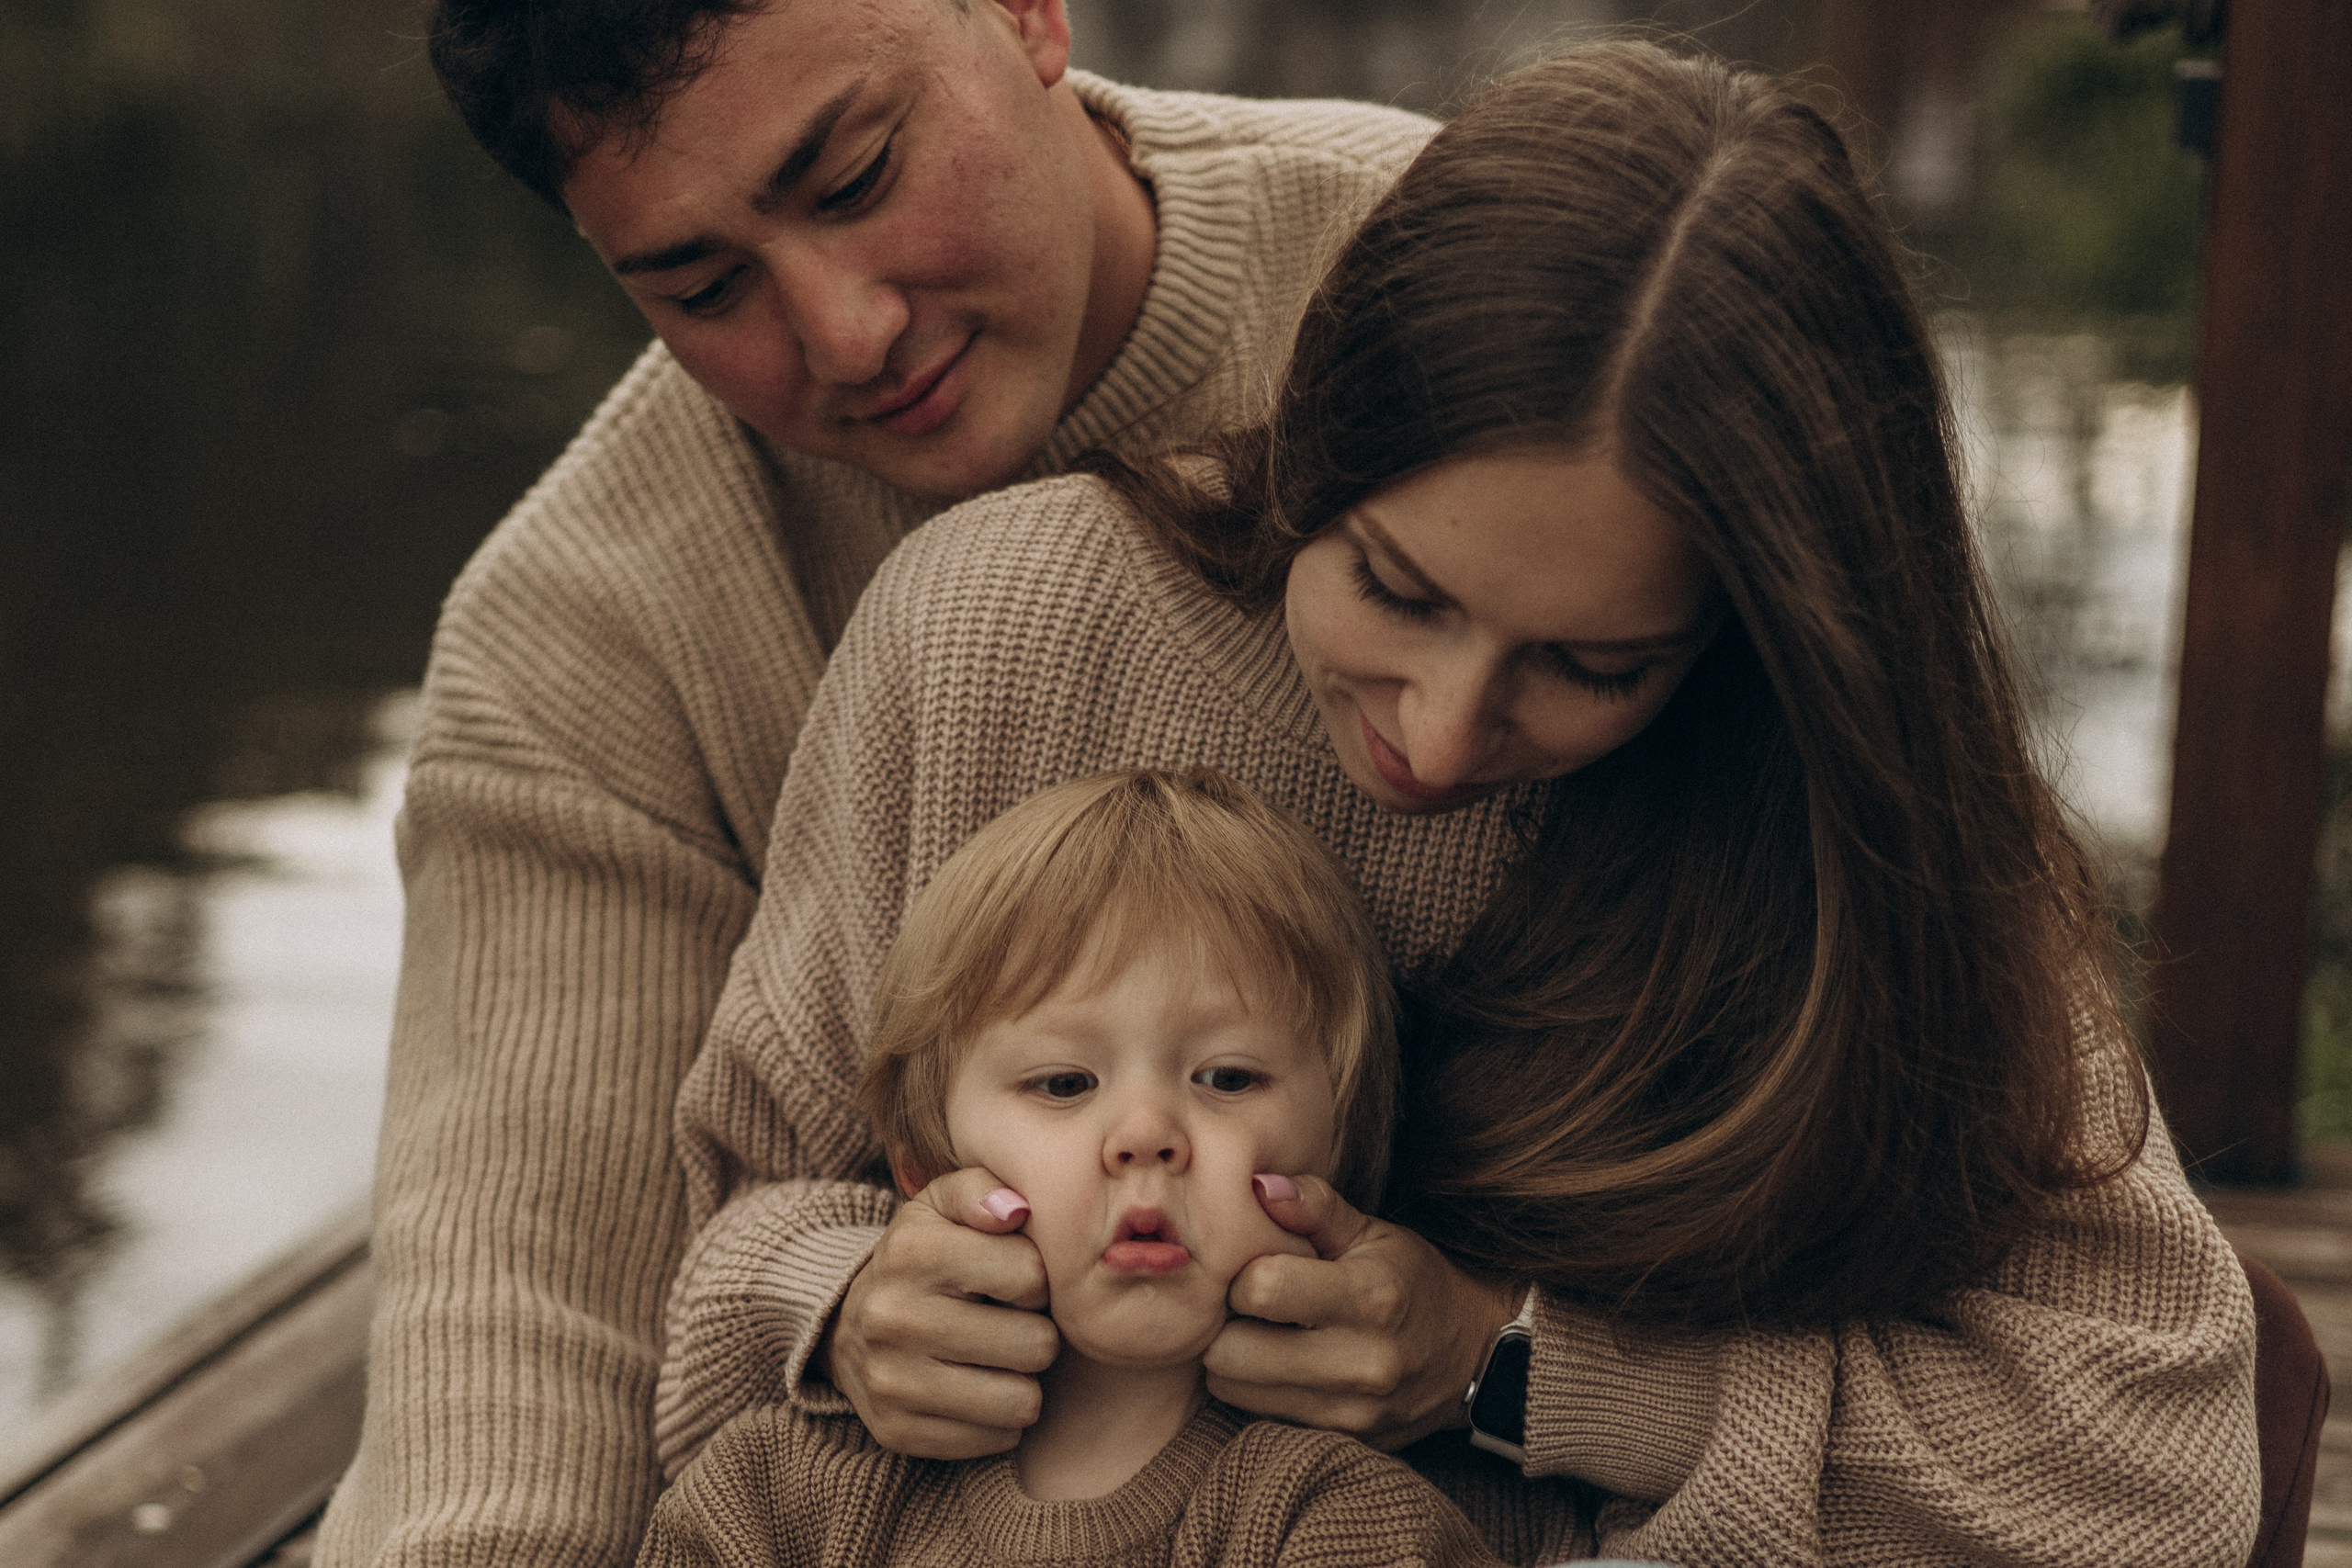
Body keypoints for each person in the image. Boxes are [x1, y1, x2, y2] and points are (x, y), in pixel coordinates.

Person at [656, 40, 2262, 1567]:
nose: (1437, 732)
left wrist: (1513, 1366)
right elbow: (729, 1236)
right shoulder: (993, 631)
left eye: (1591, 664)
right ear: (1319, 443)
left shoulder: (1842, 811)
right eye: (1394, 587)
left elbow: (2156, 1470)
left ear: (1740, 648)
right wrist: (850, 1305)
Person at [317, 0, 1441, 1562]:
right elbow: (517, 1354)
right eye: (706, 288)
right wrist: (832, 1299)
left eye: (855, 176)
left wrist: (1515, 1354)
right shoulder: (584, 636)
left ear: (1032, 13)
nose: (846, 332)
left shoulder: (1481, 303)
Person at [638, 767, 1587, 1567]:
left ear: (1339, 1162)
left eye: (1226, 1077)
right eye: (1061, 1083)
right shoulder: (777, 1498)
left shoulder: (1331, 1521)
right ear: (929, 1173)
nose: (1144, 1134)